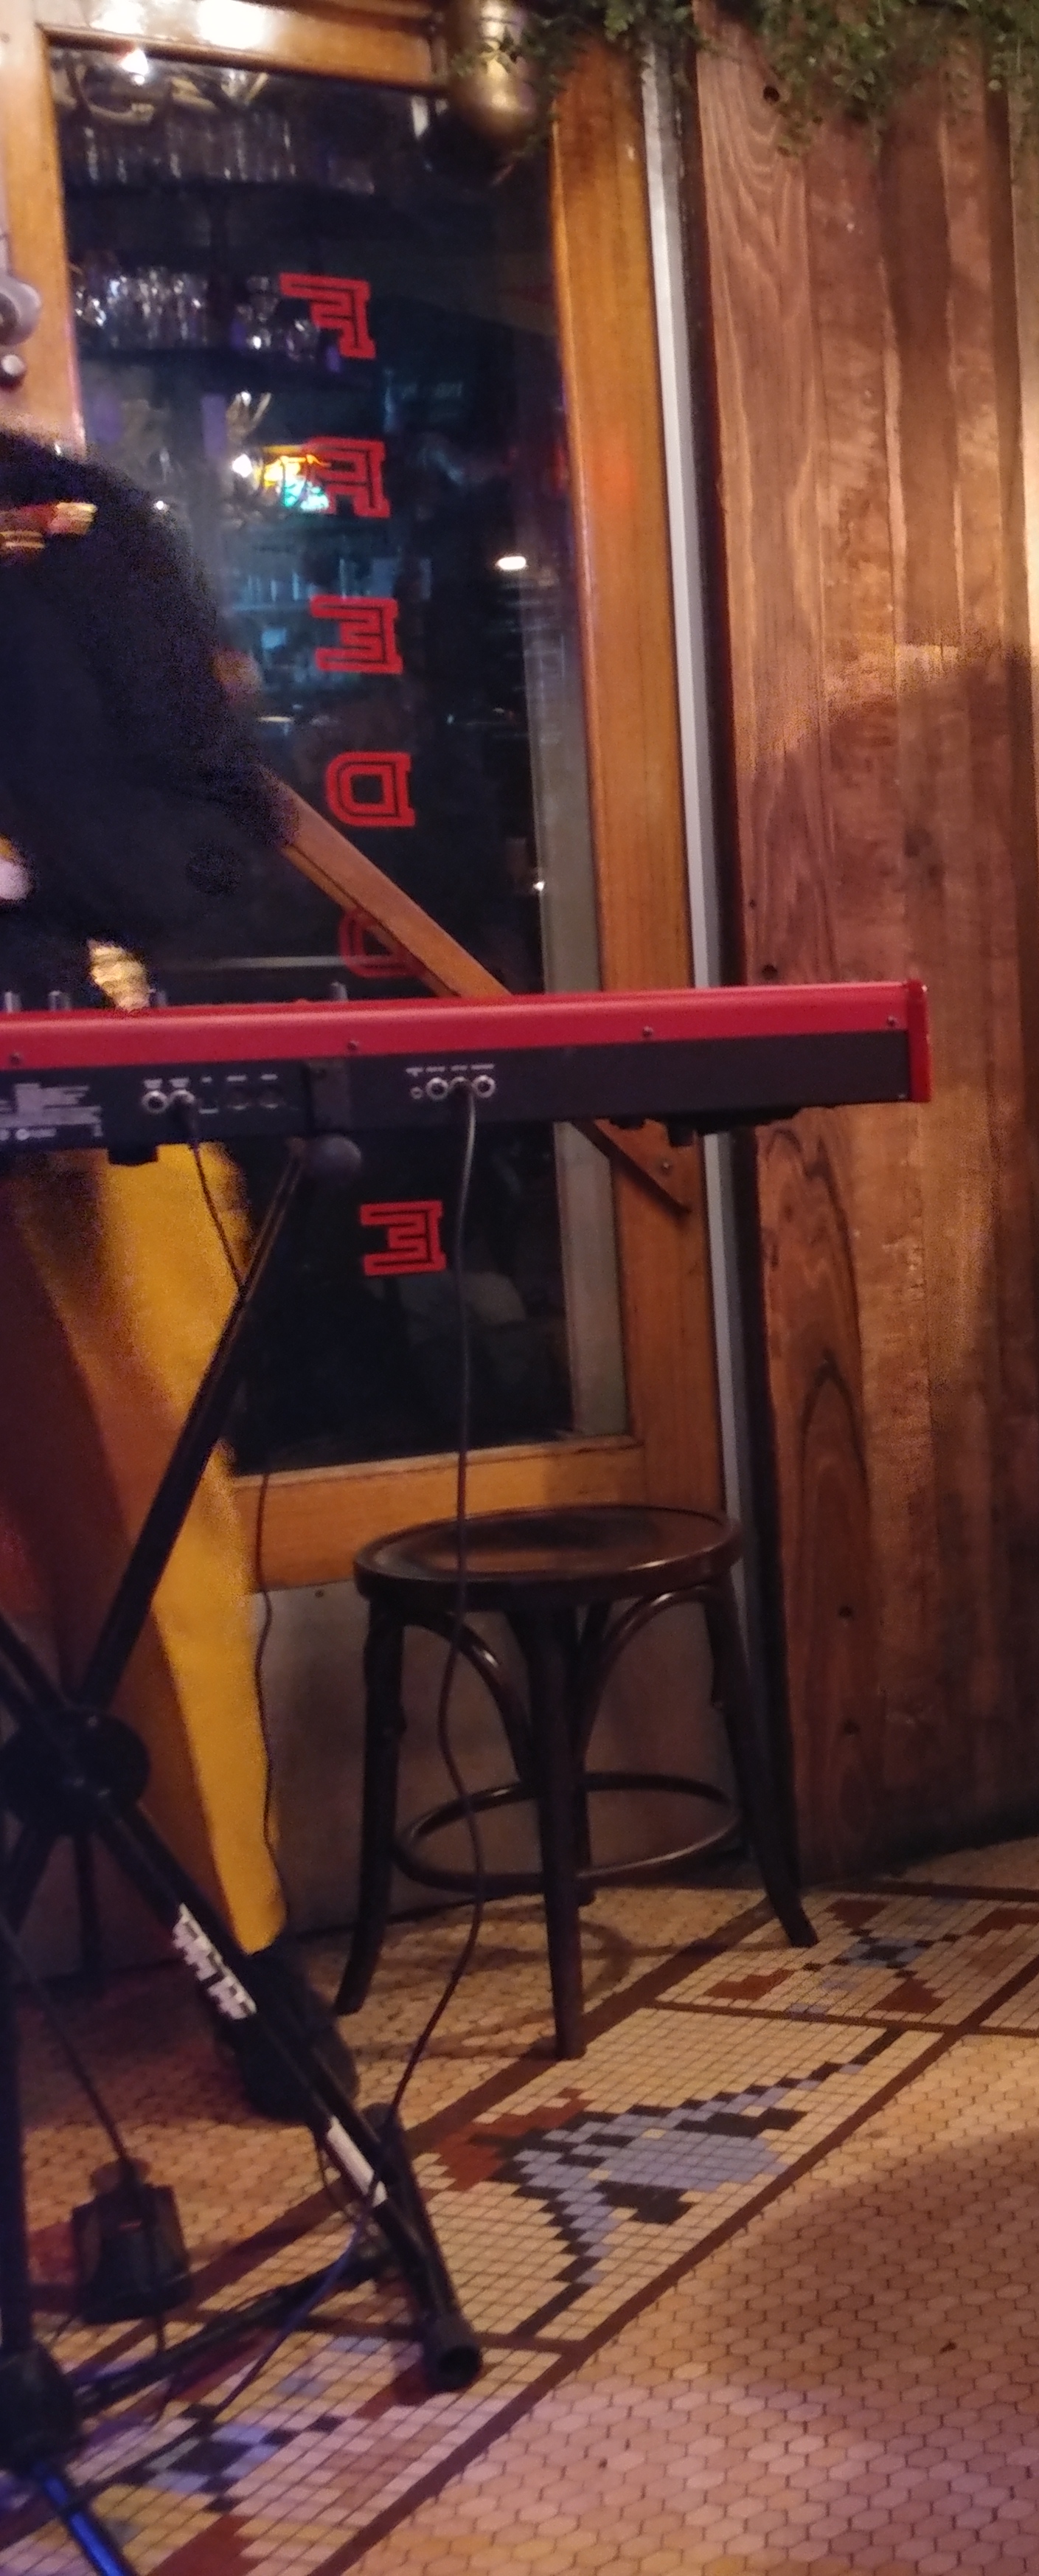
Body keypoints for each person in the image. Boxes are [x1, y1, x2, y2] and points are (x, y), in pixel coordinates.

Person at [0, 423, 347, 2109]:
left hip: (66, 1083)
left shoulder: (63, 523)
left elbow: (214, 816)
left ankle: (239, 1952)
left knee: (153, 1527)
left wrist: (34, 872)